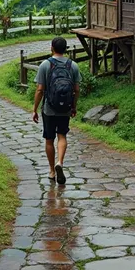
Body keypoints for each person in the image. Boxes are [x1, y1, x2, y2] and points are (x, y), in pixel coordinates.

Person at [32, 37, 81, 184]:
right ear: (65, 49)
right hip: (65, 108)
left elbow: (40, 90)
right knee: (62, 136)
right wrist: (73, 106)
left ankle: (52, 170)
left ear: (51, 47)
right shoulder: (73, 66)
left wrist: (34, 109)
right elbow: (76, 90)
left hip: (49, 109)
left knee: (49, 139)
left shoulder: (45, 65)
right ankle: (60, 162)